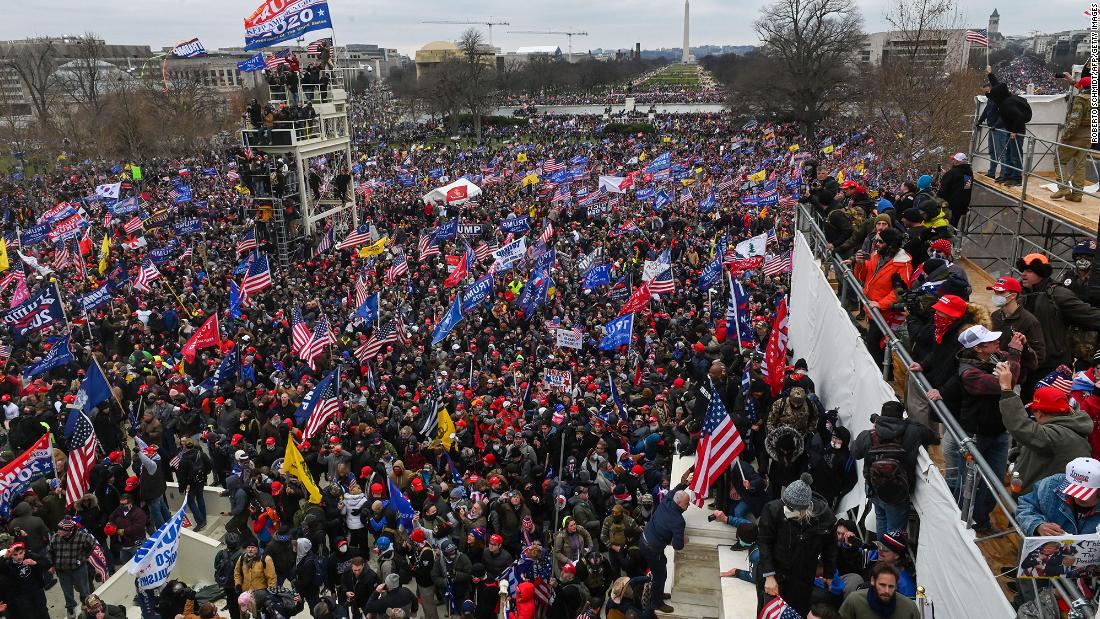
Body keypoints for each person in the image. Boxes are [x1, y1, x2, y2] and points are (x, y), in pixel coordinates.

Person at [995, 362, 1092, 493]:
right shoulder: (1072, 424)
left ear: (1039, 413)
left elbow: (1020, 426)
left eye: (1034, 411)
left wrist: (1006, 389)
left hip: (1042, 504)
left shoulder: (1058, 436)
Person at [849, 402, 936, 537]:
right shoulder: (913, 431)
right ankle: (893, 555)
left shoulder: (869, 435)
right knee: (895, 534)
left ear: (882, 415)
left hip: (875, 488)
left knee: (881, 521)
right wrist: (909, 422)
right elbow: (933, 437)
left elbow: (855, 452)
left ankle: (883, 554)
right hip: (898, 493)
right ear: (901, 415)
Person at [756, 473, 836, 618]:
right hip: (775, 572)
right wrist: (769, 575)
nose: (787, 510)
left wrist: (829, 573)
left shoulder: (825, 517)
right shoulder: (773, 509)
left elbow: (830, 545)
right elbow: (764, 541)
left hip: (802, 577)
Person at [638, 470, 691, 616]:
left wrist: (684, 484)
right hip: (653, 549)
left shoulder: (667, 499)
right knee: (661, 575)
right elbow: (677, 546)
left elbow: (675, 490)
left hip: (644, 539)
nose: (689, 506)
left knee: (661, 568)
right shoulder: (679, 521)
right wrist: (684, 540)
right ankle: (657, 602)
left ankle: (658, 593)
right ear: (679, 503)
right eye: (687, 503)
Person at [1016, 457, 1100, 536]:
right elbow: (1024, 507)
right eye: (1073, 490)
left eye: (1084, 493)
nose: (1077, 497)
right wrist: (1037, 525)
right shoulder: (1051, 484)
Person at [988, 276, 1046, 388]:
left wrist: (1017, 361)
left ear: (1013, 295)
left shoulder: (1029, 321)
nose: (995, 295)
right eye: (995, 291)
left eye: (1000, 292)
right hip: (993, 374)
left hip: (1016, 380)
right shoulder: (995, 316)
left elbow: (1039, 357)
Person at [1050, 70, 1093, 202]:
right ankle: (1077, 194)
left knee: (1059, 160)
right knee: (1080, 164)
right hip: (1089, 135)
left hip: (1076, 136)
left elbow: (1074, 122)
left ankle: (1063, 187)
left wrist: (1066, 136)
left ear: (1082, 88)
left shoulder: (1080, 99)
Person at [48, 518, 97, 619]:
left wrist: (84, 557)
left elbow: (93, 544)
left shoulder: (82, 537)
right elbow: (50, 552)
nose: (58, 531)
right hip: (62, 570)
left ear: (69, 531)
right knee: (67, 590)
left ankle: (85, 603)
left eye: (61, 530)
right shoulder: (55, 538)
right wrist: (51, 565)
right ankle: (70, 607)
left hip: (78, 568)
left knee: (84, 587)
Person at [838, 563, 922, 619]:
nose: (886, 591)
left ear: (896, 586)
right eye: (882, 585)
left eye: (891, 586)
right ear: (872, 581)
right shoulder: (855, 600)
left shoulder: (909, 608)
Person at [0, 542, 50, 619]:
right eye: (15, 555)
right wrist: (5, 557)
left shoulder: (31, 556)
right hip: (22, 597)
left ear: (24, 551)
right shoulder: (8, 564)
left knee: (43, 612)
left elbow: (46, 563)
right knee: (30, 615)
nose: (19, 557)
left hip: (37, 591)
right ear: (11, 556)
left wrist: (35, 563)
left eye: (21, 553)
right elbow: (1, 569)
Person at [938, 152, 973, 228]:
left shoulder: (952, 173)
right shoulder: (968, 173)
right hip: (962, 206)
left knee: (946, 227)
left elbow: (942, 191)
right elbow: (965, 188)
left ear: (957, 161)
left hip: (950, 206)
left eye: (953, 159)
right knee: (954, 226)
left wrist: (945, 177)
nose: (952, 161)